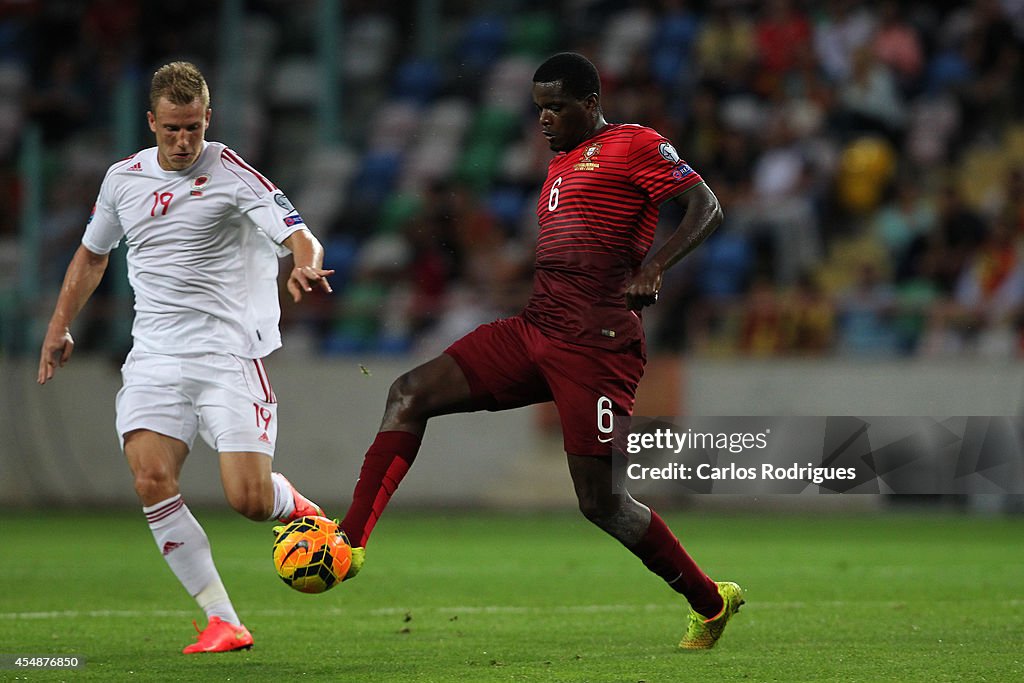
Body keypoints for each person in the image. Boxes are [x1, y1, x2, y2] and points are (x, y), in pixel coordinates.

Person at [338, 52, 744, 649]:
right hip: (534, 329)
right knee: (408, 393)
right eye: (539, 109)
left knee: (600, 504)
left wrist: (655, 266)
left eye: (557, 107)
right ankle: (347, 544)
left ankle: (710, 602)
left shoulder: (635, 145)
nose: (545, 119)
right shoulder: (558, 166)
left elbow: (706, 206)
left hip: (597, 346)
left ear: (591, 103)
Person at [37, 61, 334, 654]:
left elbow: (298, 230)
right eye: (172, 129)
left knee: (248, 501)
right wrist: (58, 326)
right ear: (151, 121)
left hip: (228, 356)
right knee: (151, 478)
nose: (183, 142)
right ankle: (223, 620)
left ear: (208, 120)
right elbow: (92, 256)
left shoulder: (231, 171)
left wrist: (303, 260)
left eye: (193, 128)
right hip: (154, 358)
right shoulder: (121, 180)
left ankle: (300, 509)